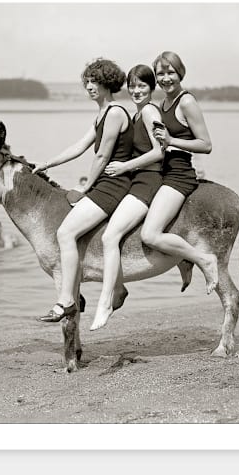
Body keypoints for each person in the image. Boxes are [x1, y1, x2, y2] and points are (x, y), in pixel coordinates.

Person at [33, 58, 134, 321]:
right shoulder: (101, 114)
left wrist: (86, 189)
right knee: (68, 233)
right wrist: (48, 163)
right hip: (106, 183)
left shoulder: (114, 113)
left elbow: (101, 157)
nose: (89, 86)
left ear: (108, 83)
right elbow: (79, 147)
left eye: (95, 81)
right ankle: (86, 294)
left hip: (114, 185)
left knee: (65, 233)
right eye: (87, 81)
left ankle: (67, 300)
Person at [89, 64, 164, 330]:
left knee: (110, 236)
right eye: (132, 86)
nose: (136, 91)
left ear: (152, 88)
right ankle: (117, 289)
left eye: (142, 86)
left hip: (148, 182)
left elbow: (159, 152)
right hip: (135, 181)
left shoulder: (150, 111)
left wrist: (123, 167)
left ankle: (106, 301)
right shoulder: (135, 114)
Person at [141, 51, 219, 293]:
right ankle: (183, 261)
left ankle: (203, 259)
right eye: (160, 73)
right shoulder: (162, 103)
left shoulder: (186, 101)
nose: (166, 78)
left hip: (179, 175)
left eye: (170, 72)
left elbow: (206, 144)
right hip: (161, 173)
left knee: (150, 235)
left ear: (180, 73)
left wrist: (172, 139)